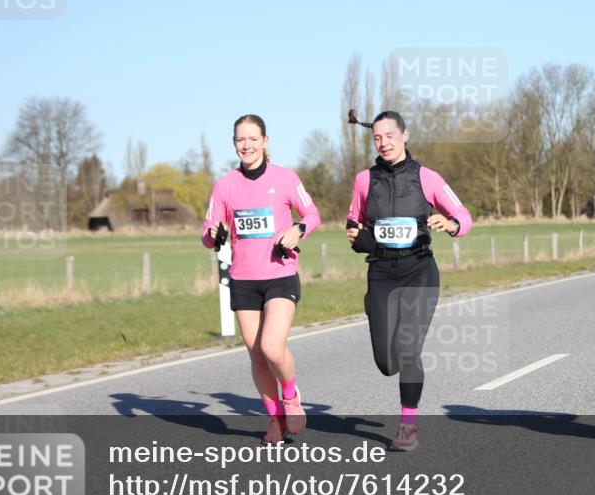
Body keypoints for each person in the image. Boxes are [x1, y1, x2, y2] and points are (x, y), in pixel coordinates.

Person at [345, 110, 472, 452]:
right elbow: (352, 223)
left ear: (405, 136)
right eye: (378, 138)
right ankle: (383, 324)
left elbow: (464, 215)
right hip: (381, 273)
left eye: (390, 136)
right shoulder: (363, 181)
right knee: (387, 363)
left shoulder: (427, 177)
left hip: (419, 270)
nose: (384, 142)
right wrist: (361, 239)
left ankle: (408, 426)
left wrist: (453, 224)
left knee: (408, 346)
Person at [202, 114, 321, 443]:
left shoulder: (284, 178)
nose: (247, 145)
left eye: (253, 138)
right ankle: (275, 420)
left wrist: (298, 229)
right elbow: (208, 233)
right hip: (243, 279)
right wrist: (215, 234)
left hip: (280, 274)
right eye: (241, 139)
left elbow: (312, 215)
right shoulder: (224, 186)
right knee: (256, 354)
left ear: (265, 142)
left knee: (271, 347)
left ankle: (291, 395)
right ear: (234, 144)